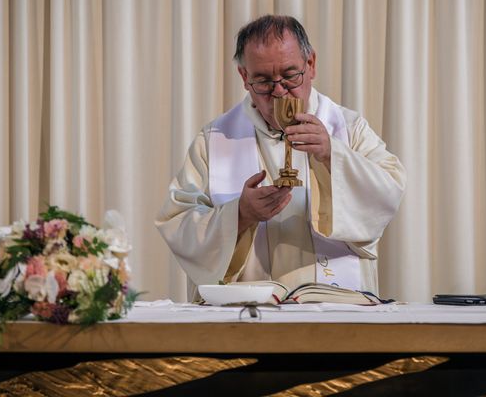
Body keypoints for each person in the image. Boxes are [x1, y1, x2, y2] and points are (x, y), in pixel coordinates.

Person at [156, 15, 405, 299]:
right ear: (244, 77)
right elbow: (178, 220)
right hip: (244, 315)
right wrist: (238, 215)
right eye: (263, 80)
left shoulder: (348, 129)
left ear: (310, 64)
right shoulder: (215, 139)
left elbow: (389, 191)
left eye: (289, 75)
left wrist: (332, 153)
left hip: (334, 307)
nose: (278, 91)